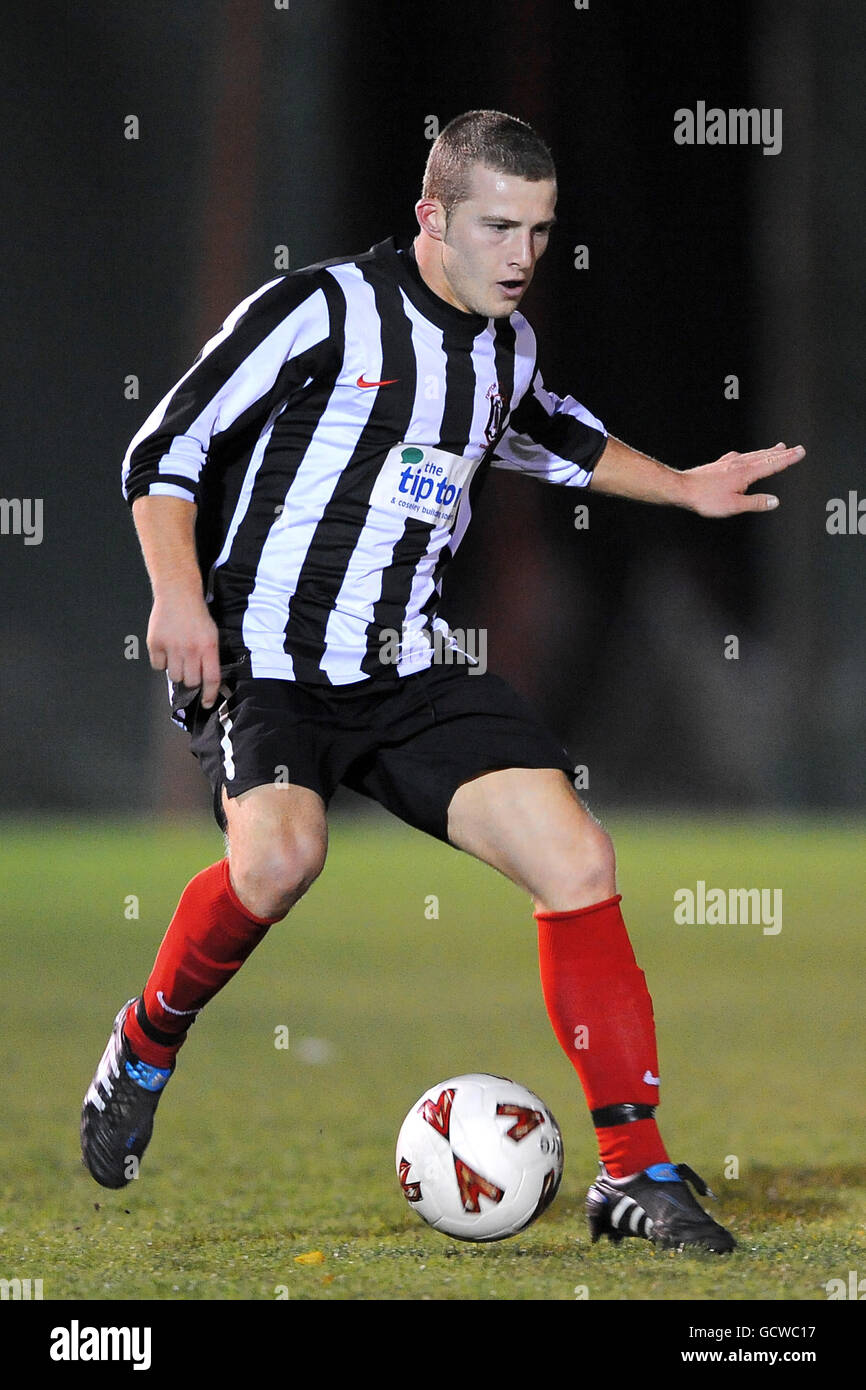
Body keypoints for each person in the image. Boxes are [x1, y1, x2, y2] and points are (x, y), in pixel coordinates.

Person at [82, 110, 802, 1253]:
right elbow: (161, 450)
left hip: (402, 664)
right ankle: (146, 1041)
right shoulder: (320, 309)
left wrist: (681, 486)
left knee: (576, 857)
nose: (522, 254)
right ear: (433, 217)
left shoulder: (504, 346)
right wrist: (176, 596)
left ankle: (633, 1170)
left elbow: (548, 432)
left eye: (540, 231)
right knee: (279, 859)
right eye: (498, 226)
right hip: (265, 653)